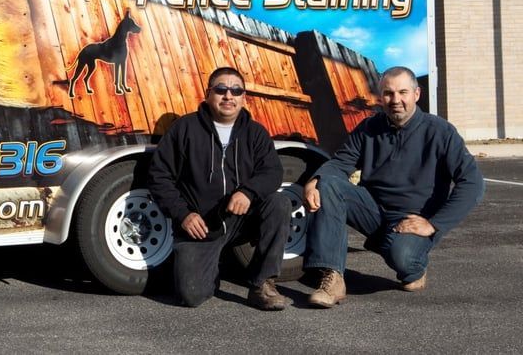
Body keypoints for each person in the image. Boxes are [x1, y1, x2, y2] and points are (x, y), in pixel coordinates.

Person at [303, 66, 484, 308]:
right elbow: (340, 163)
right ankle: (333, 277)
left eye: (402, 92)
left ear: (416, 94)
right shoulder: (369, 128)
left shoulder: (440, 132)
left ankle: (414, 269)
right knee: (329, 185)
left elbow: (473, 183)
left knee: (403, 258)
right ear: (380, 96)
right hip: (373, 210)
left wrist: (433, 224)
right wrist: (315, 180)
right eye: (388, 93)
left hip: (413, 218)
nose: (395, 100)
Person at [148, 67, 290, 310]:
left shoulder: (255, 132)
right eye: (221, 89)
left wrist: (248, 192)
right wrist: (183, 215)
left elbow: (273, 172)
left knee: (279, 203)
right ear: (208, 94)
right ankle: (211, 263)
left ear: (243, 97)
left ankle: (262, 284)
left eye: (236, 90)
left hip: (242, 220)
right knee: (191, 295)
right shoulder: (184, 129)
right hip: (201, 227)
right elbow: (159, 177)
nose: (228, 96)